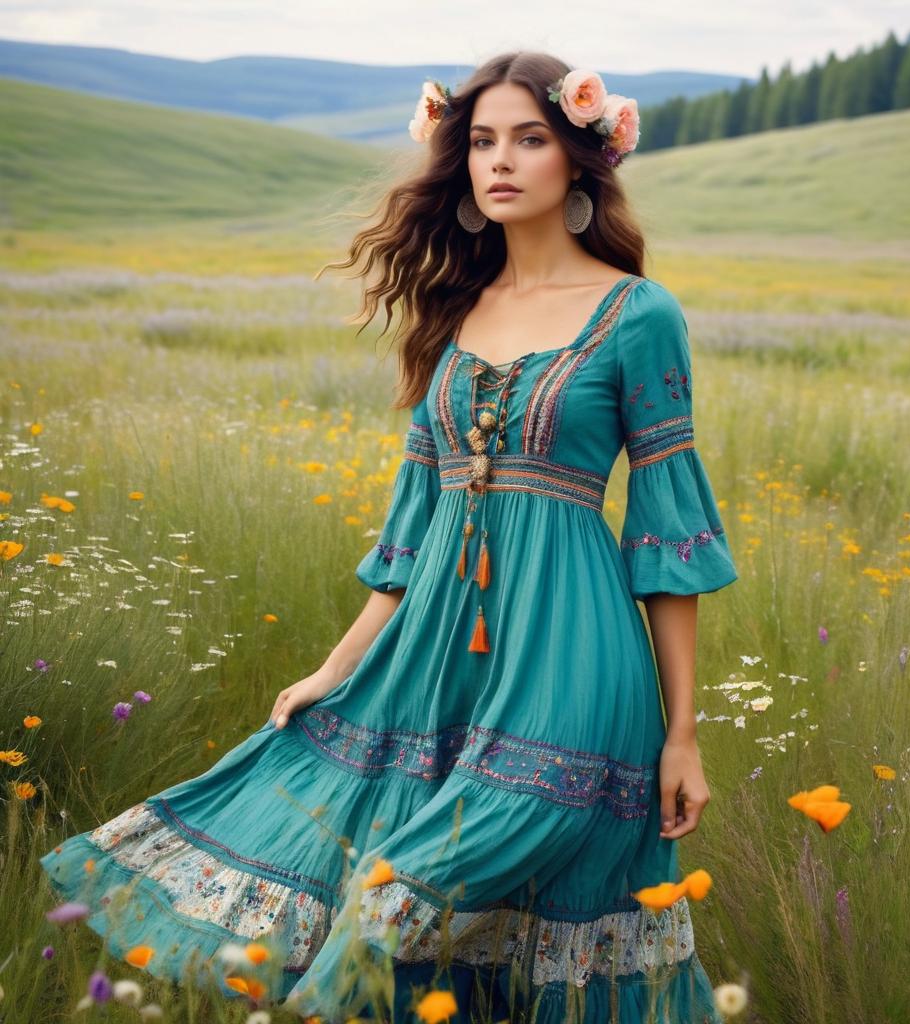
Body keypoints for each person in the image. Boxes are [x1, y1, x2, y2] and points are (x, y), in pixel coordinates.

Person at [39, 50, 738, 1024]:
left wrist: (681, 732)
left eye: (529, 138)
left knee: (394, 898)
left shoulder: (638, 314)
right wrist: (336, 667)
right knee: (438, 944)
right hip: (437, 659)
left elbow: (668, 539)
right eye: (482, 141)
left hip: (576, 663)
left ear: (579, 158)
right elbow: (413, 531)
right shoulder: (455, 316)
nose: (500, 161)